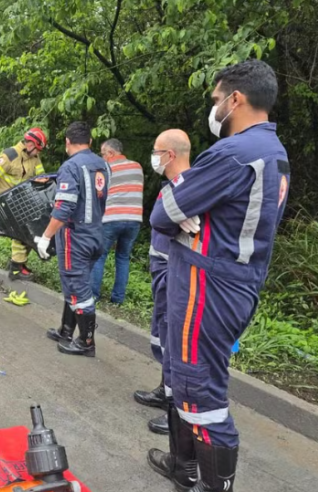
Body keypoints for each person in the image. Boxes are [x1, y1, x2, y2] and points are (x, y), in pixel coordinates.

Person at [147, 60, 290, 492]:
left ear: (236, 99)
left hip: (207, 287)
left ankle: (210, 483)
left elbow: (162, 213)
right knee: (182, 375)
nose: (214, 108)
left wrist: (179, 213)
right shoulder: (273, 152)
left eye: (216, 99)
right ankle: (182, 465)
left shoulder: (234, 154)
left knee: (200, 391)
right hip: (229, 282)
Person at [133, 129, 192, 437]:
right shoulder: (172, 185)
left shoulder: (190, 187)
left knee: (173, 335)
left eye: (156, 151)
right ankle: (165, 388)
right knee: (162, 331)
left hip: (175, 271)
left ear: (170, 155)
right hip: (162, 267)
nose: (153, 157)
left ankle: (175, 408)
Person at [38, 122, 109, 357]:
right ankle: (66, 330)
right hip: (97, 234)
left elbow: (64, 207)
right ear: (90, 142)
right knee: (75, 284)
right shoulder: (102, 165)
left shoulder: (71, 166)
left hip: (75, 237)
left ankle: (86, 342)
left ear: (68, 142)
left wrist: (46, 237)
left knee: (77, 288)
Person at [0, 128, 47, 281]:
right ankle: (16, 268)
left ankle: (18, 264)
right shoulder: (10, 155)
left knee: (29, 232)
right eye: (37, 149)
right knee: (21, 233)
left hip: (22, 201)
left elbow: (42, 176)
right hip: (5, 201)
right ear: (30, 145)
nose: (38, 153)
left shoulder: (34, 159)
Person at [90, 138, 144, 304]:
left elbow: (98, 194)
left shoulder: (105, 169)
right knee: (123, 257)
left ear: (111, 153)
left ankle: (93, 296)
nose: (102, 157)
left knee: (99, 256)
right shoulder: (137, 167)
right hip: (134, 219)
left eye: (103, 153)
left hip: (111, 218)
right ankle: (118, 299)